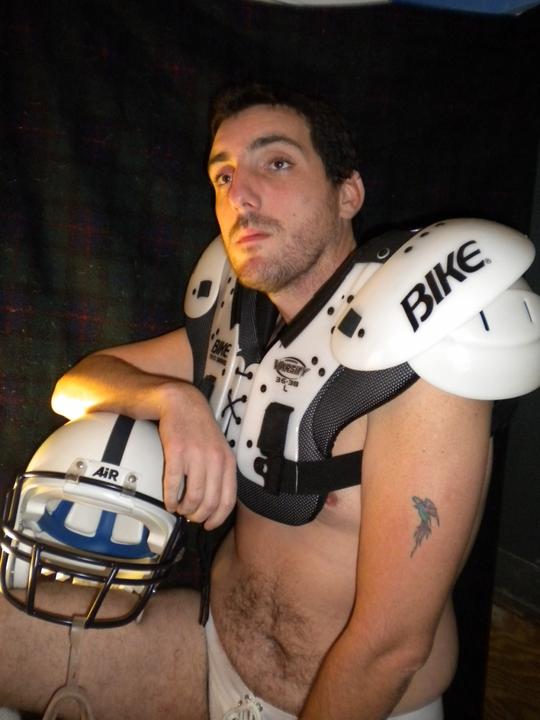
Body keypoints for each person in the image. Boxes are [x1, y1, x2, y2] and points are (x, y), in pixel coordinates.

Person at [1, 83, 537, 720]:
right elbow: (76, 386)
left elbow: (391, 648)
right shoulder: (237, 325)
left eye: (276, 163)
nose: (240, 197)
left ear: (348, 194)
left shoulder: (418, 355)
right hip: (210, 652)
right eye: (223, 176)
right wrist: (175, 401)